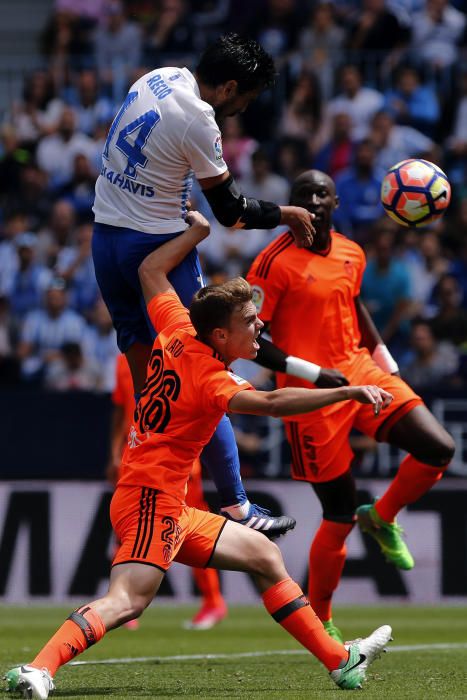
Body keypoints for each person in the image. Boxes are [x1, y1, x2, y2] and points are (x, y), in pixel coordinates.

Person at [4, 213, 393, 699]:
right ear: (222, 337)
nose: (259, 327)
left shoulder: (176, 325)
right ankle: (39, 669)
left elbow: (151, 273)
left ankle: (341, 662)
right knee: (127, 600)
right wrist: (346, 393)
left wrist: (197, 232)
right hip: (151, 500)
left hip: (168, 502)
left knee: (264, 555)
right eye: (249, 322)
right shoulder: (211, 379)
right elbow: (272, 402)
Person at [91, 32, 316, 536]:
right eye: (246, 97)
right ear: (230, 85)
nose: (243, 107)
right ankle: (237, 507)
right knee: (200, 378)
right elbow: (231, 212)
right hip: (154, 250)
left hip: (104, 242)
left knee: (154, 386)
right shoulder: (200, 117)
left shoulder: (159, 76)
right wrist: (286, 212)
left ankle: (149, 492)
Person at [247, 169, 455, 643]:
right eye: (303, 194)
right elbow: (252, 340)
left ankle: (381, 517)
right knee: (338, 514)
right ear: (292, 205)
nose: (313, 201)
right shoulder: (271, 263)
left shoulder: (351, 252)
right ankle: (320, 619)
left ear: (335, 203)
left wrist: (387, 362)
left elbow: (355, 307)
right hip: (313, 397)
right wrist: (310, 372)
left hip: (360, 370)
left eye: (321, 194)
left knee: (438, 447)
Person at [108, 353, 227, 630]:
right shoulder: (123, 359)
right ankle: (123, 598)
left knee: (185, 530)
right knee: (129, 529)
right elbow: (119, 409)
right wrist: (114, 451)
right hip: (136, 456)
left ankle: (212, 600)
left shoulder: (175, 354)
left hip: (173, 464)